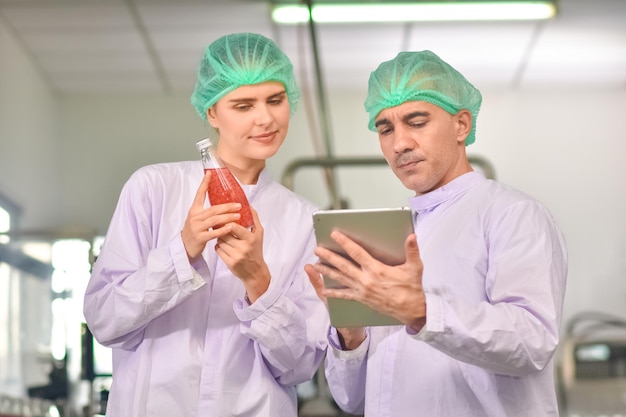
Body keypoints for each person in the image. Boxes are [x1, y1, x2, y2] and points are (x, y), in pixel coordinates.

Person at [305, 50, 568, 416]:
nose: (400, 144)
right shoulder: (391, 236)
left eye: (416, 122)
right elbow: (354, 400)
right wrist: (351, 336)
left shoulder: (512, 215)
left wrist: (422, 312)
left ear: (461, 125)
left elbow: (532, 342)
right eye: (386, 129)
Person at [83, 32, 329, 417]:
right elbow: (105, 320)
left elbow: (299, 367)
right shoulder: (154, 189)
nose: (265, 118)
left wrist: (258, 283)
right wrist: (181, 252)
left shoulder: (304, 220)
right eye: (243, 105)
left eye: (275, 100)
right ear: (212, 112)